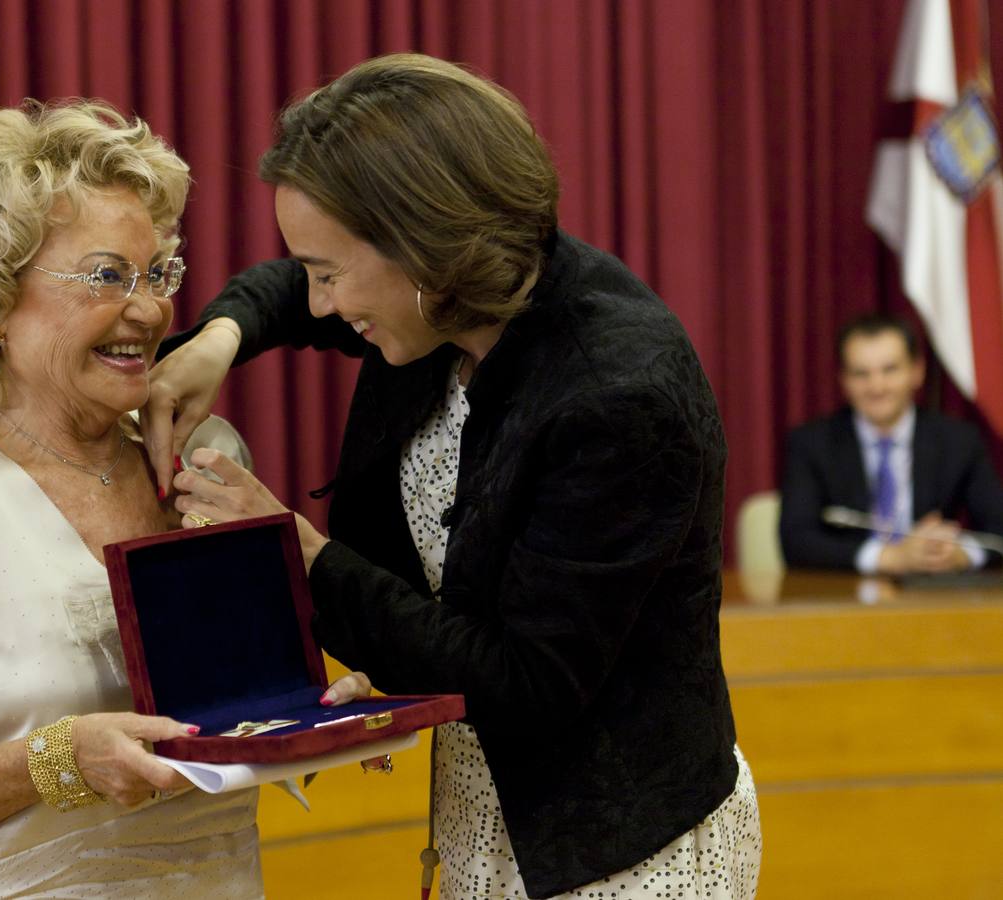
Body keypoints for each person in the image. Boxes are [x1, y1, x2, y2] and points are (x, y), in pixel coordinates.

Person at [144, 55, 760, 899]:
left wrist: (304, 555)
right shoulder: (446, 304)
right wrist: (219, 341)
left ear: (420, 246)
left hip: (618, 843)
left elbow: (527, 681)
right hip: (485, 805)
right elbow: (287, 291)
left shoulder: (618, 395)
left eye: (330, 273)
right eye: (312, 270)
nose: (319, 303)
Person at [0, 99, 366, 898]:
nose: (148, 309)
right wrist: (57, 759)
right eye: (107, 276)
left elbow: (237, 715)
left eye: (157, 274)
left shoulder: (201, 458)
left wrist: (314, 711)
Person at [779, 314, 1003, 573]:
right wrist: (890, 557)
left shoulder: (958, 440)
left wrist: (960, 554)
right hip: (844, 596)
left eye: (890, 370)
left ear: (917, 371)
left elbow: (999, 530)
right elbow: (795, 541)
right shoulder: (811, 442)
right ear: (844, 381)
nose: (877, 387)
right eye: (861, 374)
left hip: (934, 594)